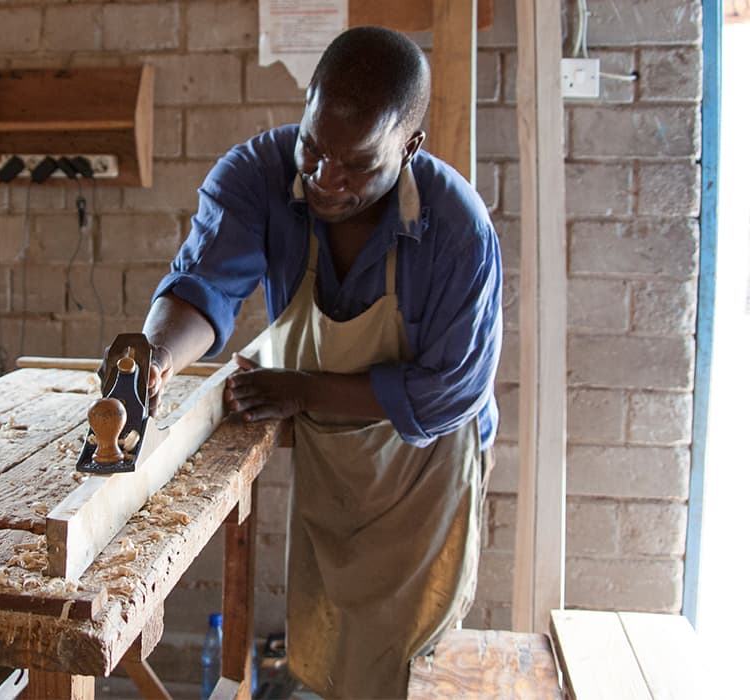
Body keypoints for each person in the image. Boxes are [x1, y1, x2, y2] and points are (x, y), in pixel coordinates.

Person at [129, 25, 502, 699]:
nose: (326, 179)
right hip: (337, 461)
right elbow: (200, 286)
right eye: (314, 147)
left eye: (357, 164)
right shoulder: (258, 176)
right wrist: (153, 357)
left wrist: (303, 389)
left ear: (409, 146)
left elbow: (449, 394)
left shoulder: (455, 231)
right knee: (331, 645)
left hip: (423, 474)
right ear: (304, 107)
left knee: (404, 656)